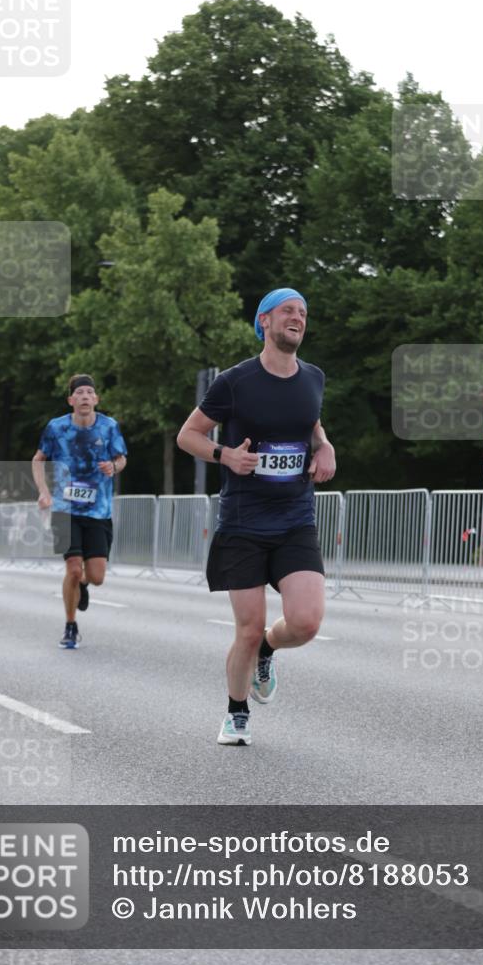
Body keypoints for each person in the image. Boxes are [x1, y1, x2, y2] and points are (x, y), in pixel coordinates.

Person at [177, 287, 336, 745]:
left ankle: (272, 646)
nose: (298, 317)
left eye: (303, 312)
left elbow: (311, 422)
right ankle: (236, 710)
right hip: (244, 522)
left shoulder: (314, 378)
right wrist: (225, 455)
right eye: (288, 310)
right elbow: (188, 436)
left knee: (305, 622)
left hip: (295, 518)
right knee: (246, 629)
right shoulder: (235, 381)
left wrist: (324, 447)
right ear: (263, 321)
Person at [32, 374, 127, 649]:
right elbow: (38, 460)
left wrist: (114, 466)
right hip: (65, 509)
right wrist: (43, 491)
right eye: (80, 393)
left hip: (99, 511)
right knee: (73, 569)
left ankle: (84, 584)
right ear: (71, 400)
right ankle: (70, 625)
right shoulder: (56, 428)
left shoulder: (109, 427)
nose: (85, 396)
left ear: (96, 399)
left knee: (96, 577)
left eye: (89, 392)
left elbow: (121, 458)